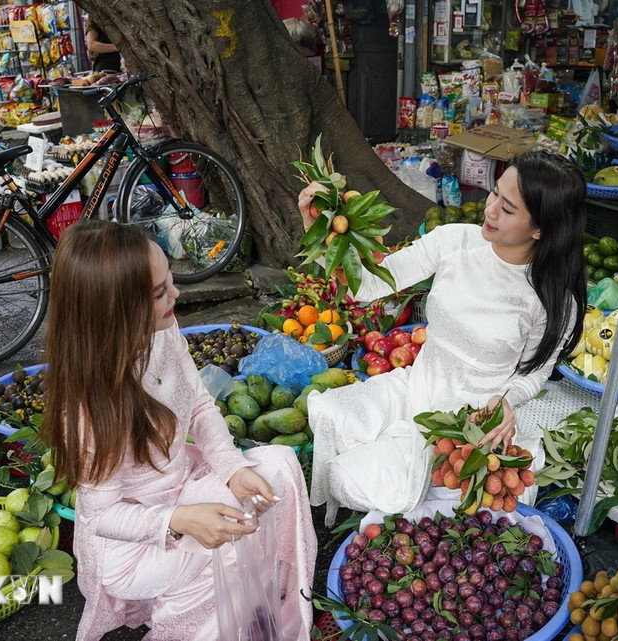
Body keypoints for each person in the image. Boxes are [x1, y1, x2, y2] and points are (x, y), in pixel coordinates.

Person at [40, 221, 316, 641]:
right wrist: (181, 520)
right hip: (136, 547)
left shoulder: (162, 332)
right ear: (115, 311)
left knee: (277, 468)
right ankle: (194, 619)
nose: (176, 294)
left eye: (170, 280)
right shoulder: (88, 408)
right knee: (230, 542)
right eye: (159, 293)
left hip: (183, 487)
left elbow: (200, 403)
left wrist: (230, 467)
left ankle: (259, 607)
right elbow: (101, 516)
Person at [299, 149, 587, 525]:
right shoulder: (453, 241)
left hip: (470, 421)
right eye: (494, 193)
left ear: (540, 229)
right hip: (418, 386)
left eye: (508, 208)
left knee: (404, 494)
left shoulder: (553, 299)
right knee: (332, 417)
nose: (490, 210)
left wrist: (507, 401)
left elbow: (536, 370)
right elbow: (367, 285)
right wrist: (320, 232)